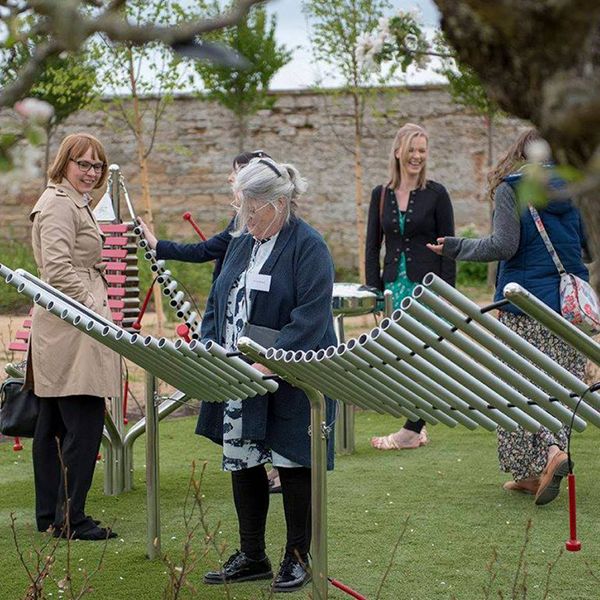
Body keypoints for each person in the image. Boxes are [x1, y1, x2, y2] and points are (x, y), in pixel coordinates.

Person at [427, 128, 589, 505]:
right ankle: (553, 452)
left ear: (518, 154)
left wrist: (455, 246)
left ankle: (531, 473)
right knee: (557, 387)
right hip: (567, 309)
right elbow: (590, 250)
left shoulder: (511, 188)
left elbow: (503, 245)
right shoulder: (575, 190)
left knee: (517, 390)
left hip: (523, 307)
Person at [196, 157, 337, 592]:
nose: (245, 219)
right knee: (243, 460)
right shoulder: (242, 240)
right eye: (241, 210)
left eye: (251, 211)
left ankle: (298, 558)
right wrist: (208, 344)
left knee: (293, 462)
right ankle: (252, 555)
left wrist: (269, 360)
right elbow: (218, 298)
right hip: (241, 379)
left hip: (292, 378)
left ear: (278, 203)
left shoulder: (309, 246)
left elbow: (311, 317)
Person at [139, 149, 283, 493]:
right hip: (227, 328)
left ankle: (275, 468)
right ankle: (258, 466)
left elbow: (205, 251)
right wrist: (159, 246)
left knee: (267, 406)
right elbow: (205, 251)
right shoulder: (241, 226)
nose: (230, 181)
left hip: (255, 335)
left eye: (235, 175)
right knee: (234, 415)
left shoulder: (261, 229)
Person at [27, 133, 120, 539]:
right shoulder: (59, 205)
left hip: (67, 323)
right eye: (83, 163)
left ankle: (52, 515)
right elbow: (58, 270)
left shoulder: (68, 201)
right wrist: (92, 311)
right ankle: (71, 519)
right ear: (64, 163)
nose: (91, 172)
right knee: (81, 424)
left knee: (53, 425)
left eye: (96, 165)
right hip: (74, 325)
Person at [365, 123, 456, 450]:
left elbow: (450, 246)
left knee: (425, 357)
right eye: (412, 149)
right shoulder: (381, 194)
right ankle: (417, 422)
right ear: (398, 151)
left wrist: (449, 294)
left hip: (428, 288)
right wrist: (373, 290)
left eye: (422, 150)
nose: (417, 156)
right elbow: (372, 246)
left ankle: (410, 430)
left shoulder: (437, 193)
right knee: (401, 358)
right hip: (393, 287)